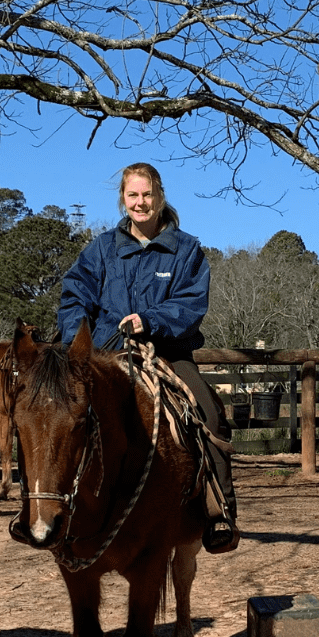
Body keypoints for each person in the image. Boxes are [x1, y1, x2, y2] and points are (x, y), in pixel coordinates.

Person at [58, 162, 239, 553]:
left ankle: (218, 509)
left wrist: (150, 320)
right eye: (132, 195)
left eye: (147, 194)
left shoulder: (186, 249)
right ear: (123, 200)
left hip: (169, 352)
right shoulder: (101, 248)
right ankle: (55, 508)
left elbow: (191, 304)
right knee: (60, 412)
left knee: (208, 413)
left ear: (160, 196)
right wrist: (79, 347)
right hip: (107, 353)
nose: (140, 202)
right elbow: (75, 297)